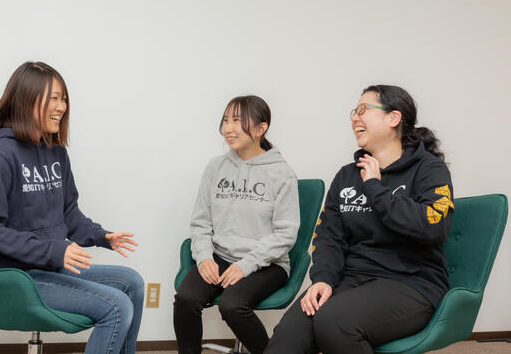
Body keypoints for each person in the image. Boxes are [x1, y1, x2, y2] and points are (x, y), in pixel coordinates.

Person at [264, 85, 454, 354]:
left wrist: (376, 189)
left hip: (411, 282)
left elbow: (432, 227)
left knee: (335, 320)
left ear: (393, 118)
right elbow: (329, 236)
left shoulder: (428, 170)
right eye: (354, 111)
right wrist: (323, 279)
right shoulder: (346, 176)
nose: (354, 117)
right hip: (351, 279)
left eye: (363, 110)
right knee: (288, 335)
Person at [0, 61, 144, 354]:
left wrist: (103, 237)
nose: (62, 106)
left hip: (48, 266)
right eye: (53, 98)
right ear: (27, 98)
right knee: (116, 307)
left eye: (64, 98)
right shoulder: (1, 154)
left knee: (132, 284)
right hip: (14, 274)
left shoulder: (55, 151)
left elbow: (68, 212)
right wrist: (54, 250)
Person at [173, 95, 300, 354]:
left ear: (261, 128)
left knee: (231, 305)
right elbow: (200, 223)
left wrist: (245, 265)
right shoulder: (216, 167)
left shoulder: (281, 173)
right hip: (220, 256)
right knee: (186, 299)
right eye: (226, 120)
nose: (228, 128)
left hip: (266, 263)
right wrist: (205, 257)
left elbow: (286, 234)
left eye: (238, 121)